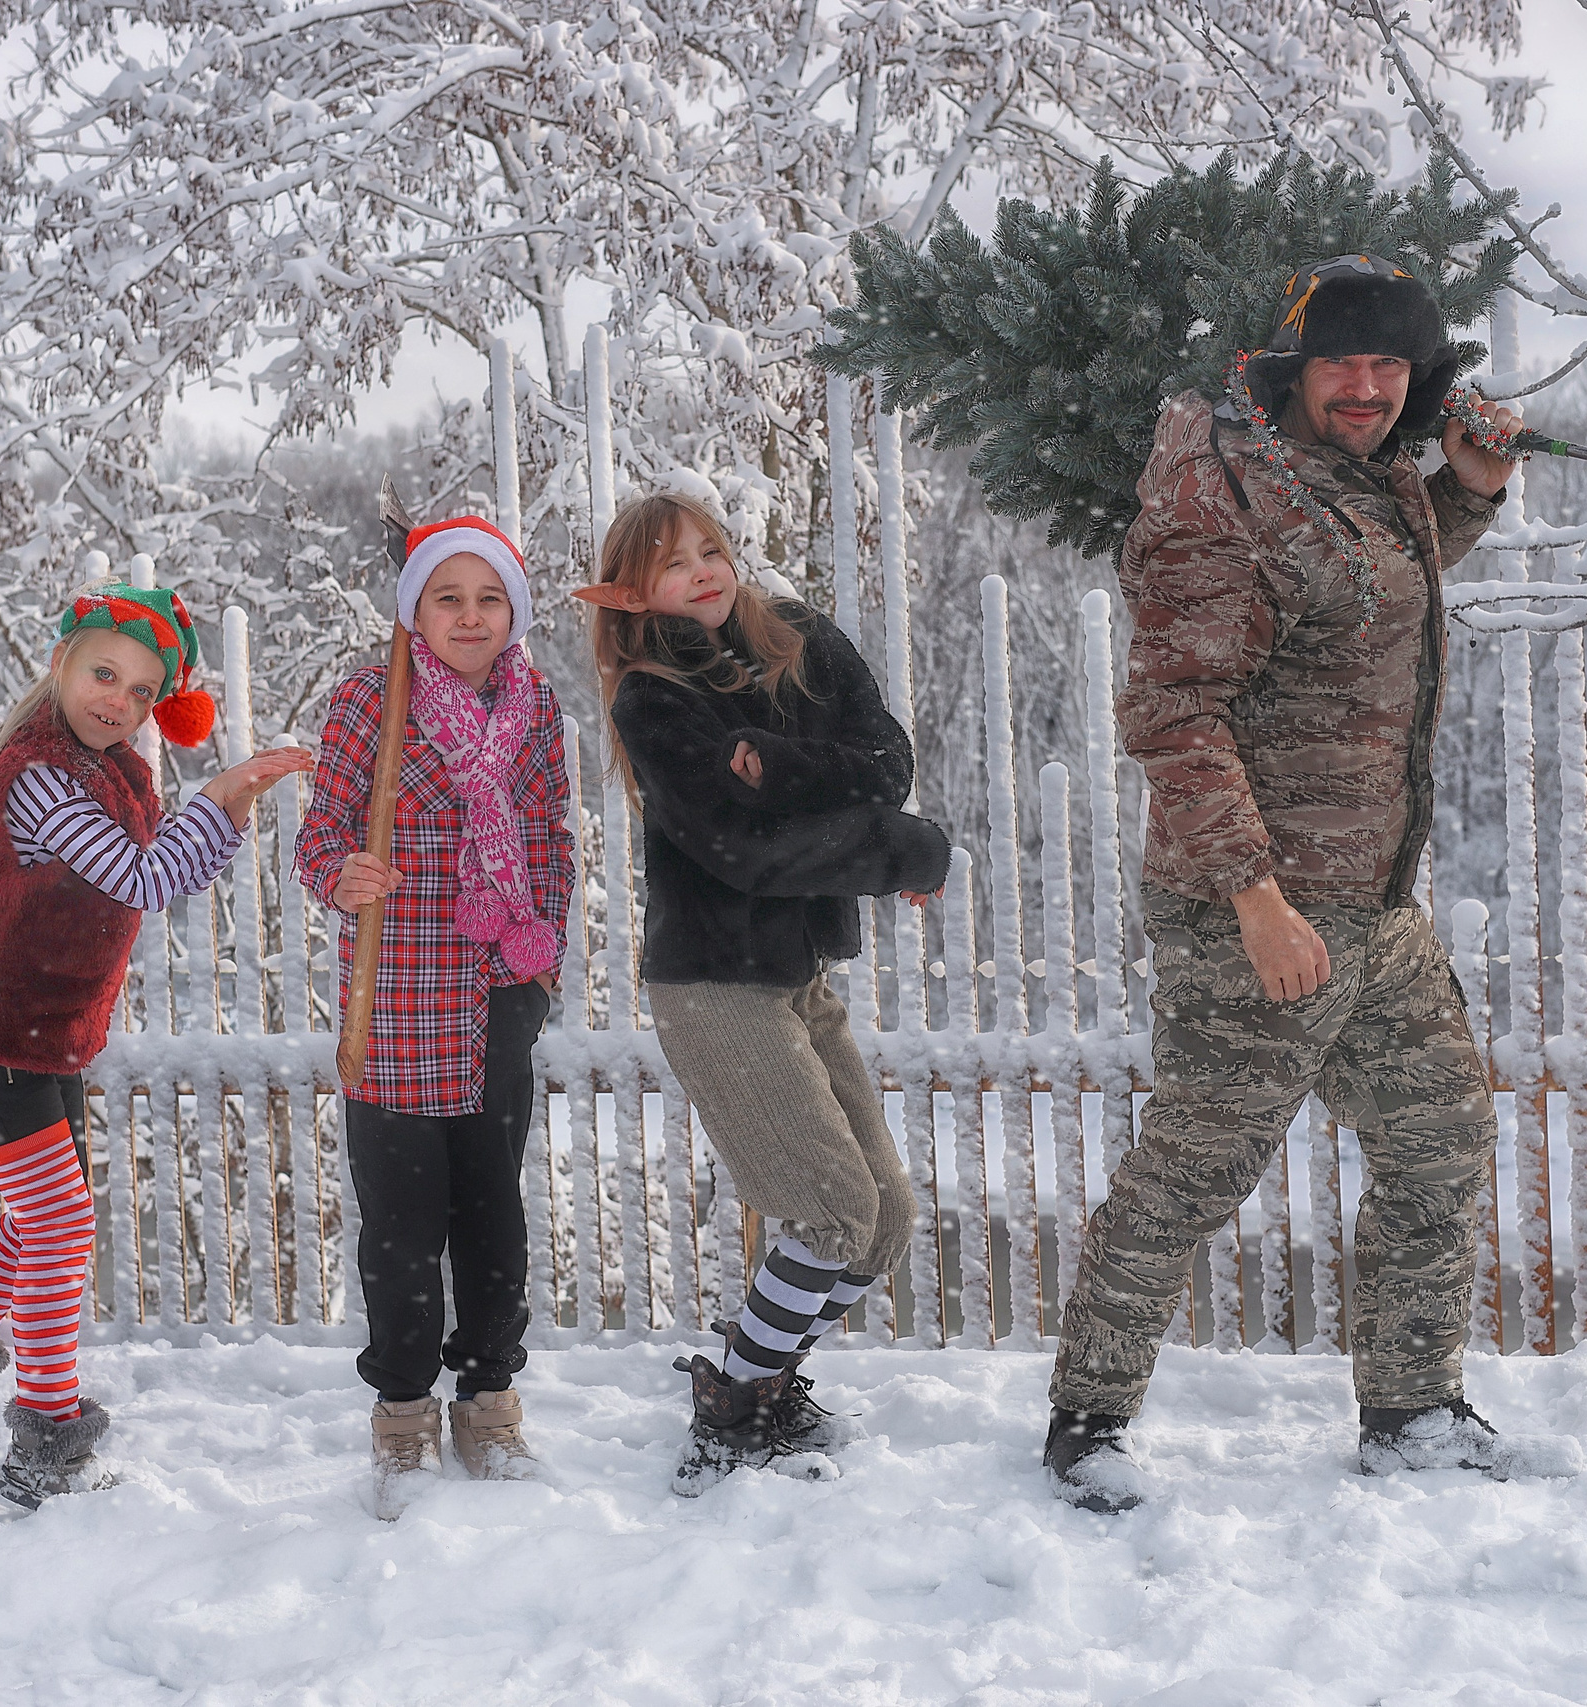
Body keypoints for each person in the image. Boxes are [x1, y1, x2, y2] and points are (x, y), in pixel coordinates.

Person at [1043, 254, 1526, 1512]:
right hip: (1249, 907)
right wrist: (1255, 902)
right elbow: (1174, 711)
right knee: (1196, 1170)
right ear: (1294, 370)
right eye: (1341, 365)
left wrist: (1462, 497)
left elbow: (1356, 608)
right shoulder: (1227, 490)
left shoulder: (1352, 480)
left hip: (1370, 900)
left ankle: (1411, 1408)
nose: (1366, 387)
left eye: (1388, 366)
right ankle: (1086, 1418)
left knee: (1439, 1146)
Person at [0, 581, 310, 1510]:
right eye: (103, 672)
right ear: (62, 663)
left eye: (143, 690)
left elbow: (166, 873)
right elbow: (139, 874)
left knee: (45, 1213)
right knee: (62, 1221)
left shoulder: (115, 766)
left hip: (44, 1032)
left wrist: (221, 814)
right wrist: (228, 791)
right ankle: (46, 1443)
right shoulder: (40, 774)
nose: (118, 698)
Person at [580, 489, 952, 1497]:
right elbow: (746, 852)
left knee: (882, 1223)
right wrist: (898, 847)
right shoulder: (654, 698)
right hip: (714, 984)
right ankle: (738, 1407)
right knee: (831, 1213)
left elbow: (886, 762)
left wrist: (781, 763)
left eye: (713, 548)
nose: (703, 570)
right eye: (672, 562)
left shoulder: (794, 646)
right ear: (632, 590)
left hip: (796, 975)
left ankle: (764, 1380)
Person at [294, 514, 576, 1521]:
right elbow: (321, 830)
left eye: (487, 598)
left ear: (514, 611)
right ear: (414, 609)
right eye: (446, 598)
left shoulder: (534, 708)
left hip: (497, 997)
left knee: (493, 1218)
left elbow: (548, 839)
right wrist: (342, 871)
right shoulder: (374, 696)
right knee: (403, 1231)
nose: (468, 616)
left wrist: (539, 962)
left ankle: (490, 1402)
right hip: (400, 997)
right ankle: (404, 1416)